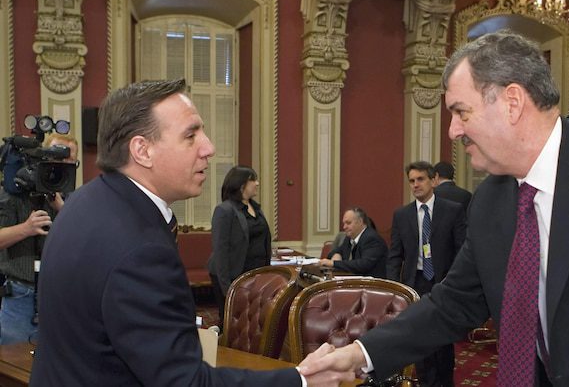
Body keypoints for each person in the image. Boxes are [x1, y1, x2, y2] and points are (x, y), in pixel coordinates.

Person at [300, 30, 569, 386]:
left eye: (461, 112)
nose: (454, 131)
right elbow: (453, 303)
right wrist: (360, 355)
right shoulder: (491, 201)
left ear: (511, 102)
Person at [31, 79, 353, 386]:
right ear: (143, 150)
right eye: (191, 135)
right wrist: (300, 380)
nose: (209, 148)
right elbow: (185, 382)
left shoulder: (86, 203)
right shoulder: (141, 249)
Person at [385, 161, 466, 387]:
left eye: (420, 179)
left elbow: (462, 250)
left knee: (443, 338)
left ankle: (444, 382)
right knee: (419, 338)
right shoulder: (402, 215)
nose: (415, 185)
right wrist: (394, 288)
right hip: (416, 283)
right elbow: (395, 254)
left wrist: (455, 282)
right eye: (411, 181)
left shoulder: (452, 210)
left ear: (433, 180)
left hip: (444, 283)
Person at [0, 133, 76, 344]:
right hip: (19, 295)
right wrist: (26, 228)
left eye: (68, 161)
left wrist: (61, 207)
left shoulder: (73, 199)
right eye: (55, 158)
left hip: (59, 296)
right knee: (13, 367)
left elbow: (86, 242)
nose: (60, 166)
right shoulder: (12, 193)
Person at [207, 165, 272, 326]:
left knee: (253, 319)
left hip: (256, 274)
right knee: (232, 321)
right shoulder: (225, 210)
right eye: (253, 180)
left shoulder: (256, 208)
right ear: (241, 184)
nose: (257, 183)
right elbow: (220, 250)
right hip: (233, 274)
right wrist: (227, 288)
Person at [318, 207, 387, 278]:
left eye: (348, 223)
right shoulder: (349, 237)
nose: (344, 227)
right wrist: (336, 254)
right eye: (344, 223)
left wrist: (334, 263)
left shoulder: (371, 238)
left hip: (372, 284)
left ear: (360, 222)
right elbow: (337, 250)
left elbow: (362, 265)